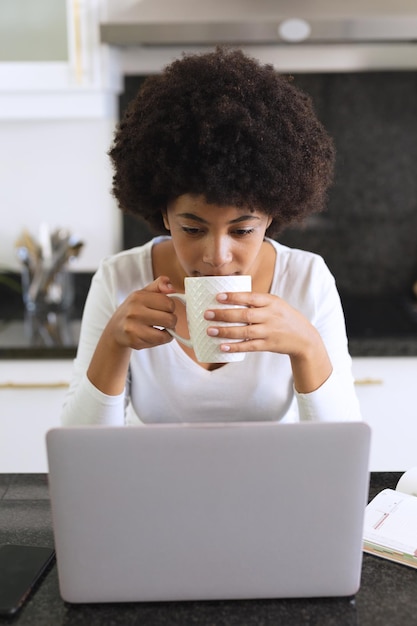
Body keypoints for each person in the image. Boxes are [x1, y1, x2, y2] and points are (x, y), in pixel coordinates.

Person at [61, 47, 361, 426]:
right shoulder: (120, 279)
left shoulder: (307, 280)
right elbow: (84, 458)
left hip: (273, 486)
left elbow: (340, 455)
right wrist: (113, 344)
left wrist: (307, 347)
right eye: (192, 228)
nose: (217, 256)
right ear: (163, 214)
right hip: (158, 484)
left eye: (242, 230)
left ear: (271, 217)